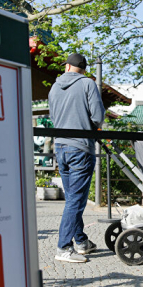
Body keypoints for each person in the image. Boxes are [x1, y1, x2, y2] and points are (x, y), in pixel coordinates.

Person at [49, 53, 105, 263]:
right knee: (75, 199)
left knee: (74, 197)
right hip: (80, 148)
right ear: (83, 69)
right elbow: (98, 117)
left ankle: (81, 241)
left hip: (60, 147)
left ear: (67, 67)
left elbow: (54, 117)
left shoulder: (54, 87)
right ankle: (63, 247)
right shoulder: (88, 85)